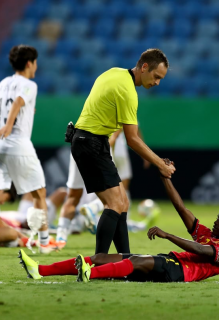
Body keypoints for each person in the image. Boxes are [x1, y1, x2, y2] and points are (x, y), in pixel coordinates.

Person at [18, 172, 219, 283]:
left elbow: (202, 251)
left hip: (179, 272)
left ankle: (90, 275)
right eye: (217, 217)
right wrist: (165, 177)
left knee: (134, 261)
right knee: (101, 257)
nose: (216, 221)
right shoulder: (208, 234)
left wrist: (167, 235)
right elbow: (180, 207)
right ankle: (41, 270)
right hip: (171, 261)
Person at [64, 49, 175, 255]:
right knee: (114, 203)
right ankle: (98, 263)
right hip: (91, 142)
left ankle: (126, 259)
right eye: (156, 76)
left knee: (122, 202)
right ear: (144, 68)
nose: (157, 82)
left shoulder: (113, 73)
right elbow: (132, 139)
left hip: (89, 140)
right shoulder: (128, 92)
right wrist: (161, 164)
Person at [0, 45, 53, 254]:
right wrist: (10, 123)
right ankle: (43, 242)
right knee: (39, 193)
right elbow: (19, 101)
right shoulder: (29, 85)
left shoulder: (3, 83)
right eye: (35, 62)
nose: (36, 67)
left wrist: (5, 121)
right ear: (29, 63)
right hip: (18, 143)